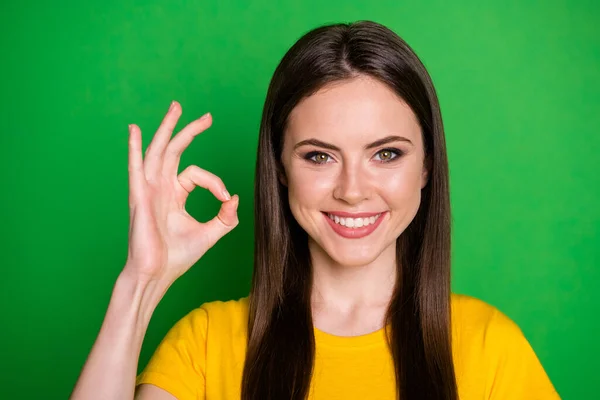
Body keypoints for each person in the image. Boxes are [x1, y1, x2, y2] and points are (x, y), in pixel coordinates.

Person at [70, 20, 560, 400]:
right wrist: (140, 283)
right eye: (319, 156)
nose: (352, 190)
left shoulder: (490, 348)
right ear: (280, 167)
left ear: (427, 166)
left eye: (386, 153)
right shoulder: (206, 343)